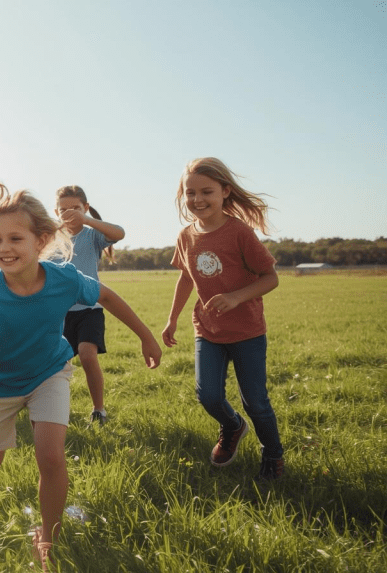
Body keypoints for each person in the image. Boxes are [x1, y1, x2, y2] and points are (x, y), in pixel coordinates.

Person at [0, 181, 161, 570]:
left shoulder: (63, 278)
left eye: (15, 238)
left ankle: (48, 536)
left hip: (50, 372)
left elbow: (106, 296)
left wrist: (146, 336)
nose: (4, 248)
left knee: (51, 456)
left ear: (41, 239)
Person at [161, 157, 285, 480]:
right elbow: (187, 278)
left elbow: (270, 277)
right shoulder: (186, 236)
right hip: (208, 330)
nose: (197, 200)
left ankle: (272, 454)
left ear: (225, 192)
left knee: (256, 402)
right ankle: (232, 426)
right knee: (208, 396)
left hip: (247, 331)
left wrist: (235, 297)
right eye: (190, 193)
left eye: (206, 192)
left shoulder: (239, 232)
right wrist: (172, 318)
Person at [54, 185, 125, 426]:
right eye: (63, 209)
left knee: (87, 354)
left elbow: (119, 233)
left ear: (85, 208)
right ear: (56, 212)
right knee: (56, 365)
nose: (69, 213)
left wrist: (87, 220)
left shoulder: (91, 235)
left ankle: (99, 409)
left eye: (75, 208)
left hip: (90, 309)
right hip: (59, 313)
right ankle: (52, 409)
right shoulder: (52, 240)